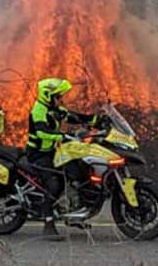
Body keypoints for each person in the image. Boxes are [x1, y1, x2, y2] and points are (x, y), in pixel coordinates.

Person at [25, 78, 103, 241]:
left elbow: (71, 116)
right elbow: (42, 132)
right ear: (48, 95)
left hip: (53, 151)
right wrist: (63, 136)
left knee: (77, 170)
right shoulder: (38, 111)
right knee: (55, 183)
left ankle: (75, 212)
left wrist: (95, 120)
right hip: (38, 154)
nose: (61, 99)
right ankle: (48, 223)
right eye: (58, 96)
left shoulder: (54, 109)